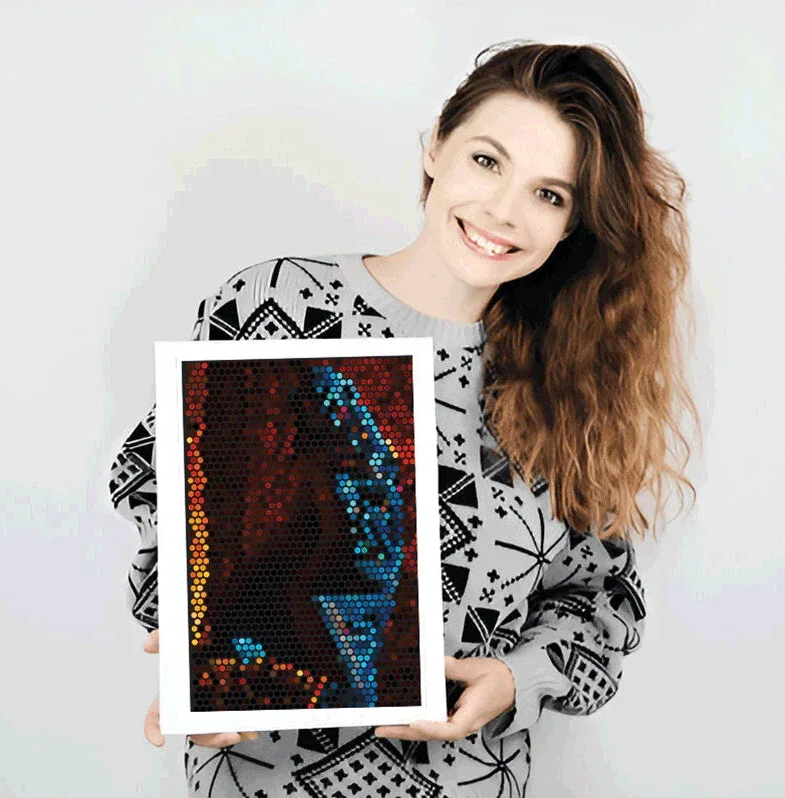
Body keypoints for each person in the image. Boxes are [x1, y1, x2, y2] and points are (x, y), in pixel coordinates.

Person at [109, 40, 697, 798]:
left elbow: (601, 604)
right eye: (487, 161)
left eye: (549, 195)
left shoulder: (570, 386)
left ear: (571, 225)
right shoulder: (279, 306)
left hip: (466, 780)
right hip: (261, 777)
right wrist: (201, 664)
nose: (503, 211)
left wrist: (514, 679)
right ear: (435, 147)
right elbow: (160, 495)